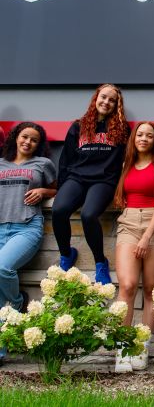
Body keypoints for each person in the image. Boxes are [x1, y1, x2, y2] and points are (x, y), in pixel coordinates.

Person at [52, 84, 129, 284]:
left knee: (88, 214)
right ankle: (66, 254)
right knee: (59, 209)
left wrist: (122, 189)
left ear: (116, 105)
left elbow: (126, 161)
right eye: (103, 97)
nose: (106, 102)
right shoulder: (78, 126)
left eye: (112, 100)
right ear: (96, 99)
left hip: (103, 180)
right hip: (76, 177)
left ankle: (100, 262)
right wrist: (61, 189)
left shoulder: (122, 129)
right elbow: (65, 160)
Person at [113, 122, 154, 372]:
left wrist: (147, 236)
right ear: (133, 138)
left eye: (150, 135)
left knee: (151, 288)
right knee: (127, 285)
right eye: (140, 134)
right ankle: (122, 347)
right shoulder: (125, 166)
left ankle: (142, 346)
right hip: (128, 223)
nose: (144, 138)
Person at [0, 122, 56, 313]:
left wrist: (43, 191)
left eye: (34, 140)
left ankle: (16, 301)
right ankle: (5, 340)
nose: (28, 142)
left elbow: (60, 189)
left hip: (26, 228)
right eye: (24, 137)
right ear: (16, 137)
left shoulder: (43, 164)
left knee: (2, 268)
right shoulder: (0, 163)